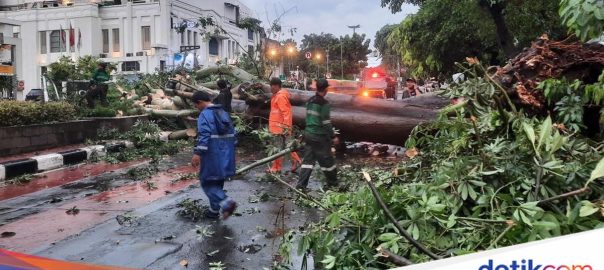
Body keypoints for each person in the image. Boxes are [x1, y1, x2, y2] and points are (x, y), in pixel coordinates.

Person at [191, 91, 238, 220]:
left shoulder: (205, 115)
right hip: (226, 155)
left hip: (212, 155)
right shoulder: (223, 112)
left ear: (200, 102)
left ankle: (227, 203)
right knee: (217, 182)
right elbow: (234, 134)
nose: (196, 108)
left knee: (207, 182)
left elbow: (204, 135)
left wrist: (197, 153)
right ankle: (213, 211)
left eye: (196, 105)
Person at [295, 78, 338, 191]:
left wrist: (303, 133)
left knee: (308, 162)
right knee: (327, 161)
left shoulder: (310, 101)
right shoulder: (324, 104)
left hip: (308, 134)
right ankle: (333, 184)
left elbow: (307, 118)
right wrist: (333, 136)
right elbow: (326, 123)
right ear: (326, 89)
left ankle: (301, 186)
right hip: (319, 136)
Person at [268, 77, 302, 173]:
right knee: (286, 147)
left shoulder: (280, 96)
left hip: (280, 128)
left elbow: (286, 113)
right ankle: (296, 161)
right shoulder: (277, 95)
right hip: (279, 127)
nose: (271, 88)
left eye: (272, 86)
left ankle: (276, 168)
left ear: (277, 86)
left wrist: (286, 128)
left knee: (278, 148)